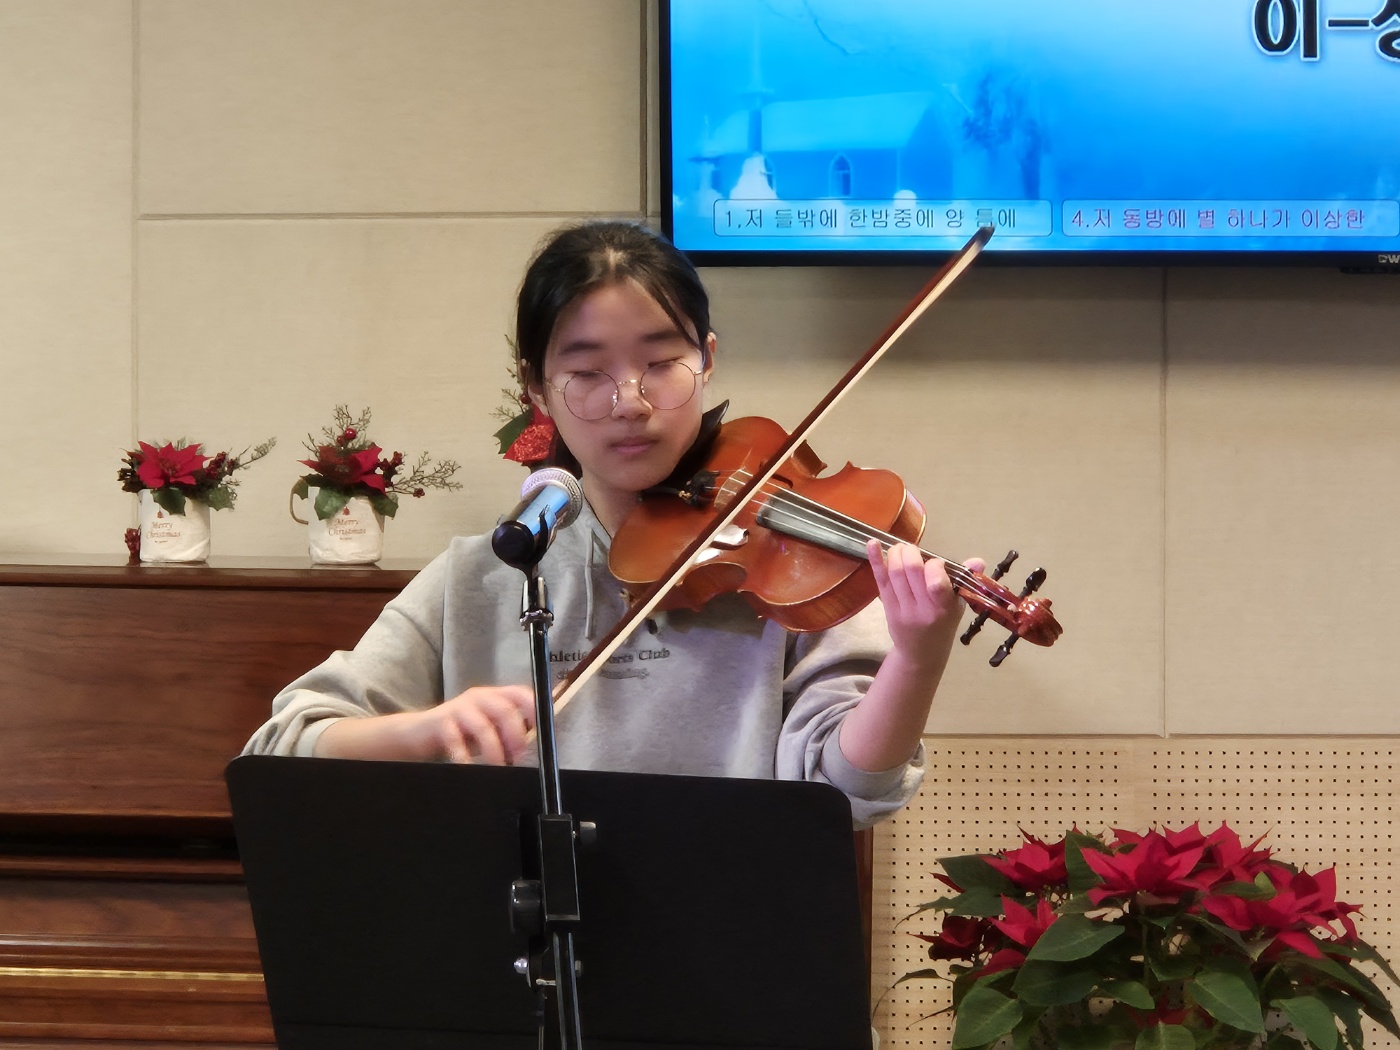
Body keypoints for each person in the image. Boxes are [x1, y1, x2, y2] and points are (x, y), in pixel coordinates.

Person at [242, 220, 982, 828]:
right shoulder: (483, 574)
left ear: (706, 359)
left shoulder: (788, 566)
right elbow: (283, 745)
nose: (630, 401)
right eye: (588, 372)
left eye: (661, 362)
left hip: (729, 930)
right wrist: (426, 729)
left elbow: (847, 789)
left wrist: (916, 662)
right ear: (537, 388)